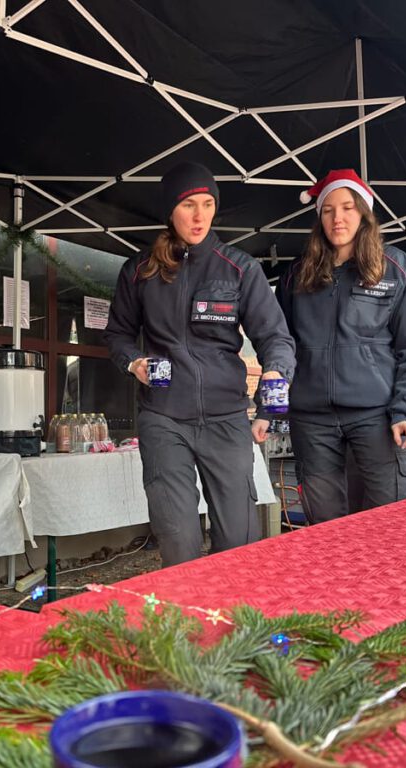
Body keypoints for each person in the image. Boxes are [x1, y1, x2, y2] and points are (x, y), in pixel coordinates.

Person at [104, 161, 296, 566]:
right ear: (169, 211)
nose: (199, 216)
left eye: (207, 204)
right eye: (188, 205)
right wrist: (134, 362)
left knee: (239, 541)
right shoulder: (139, 271)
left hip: (226, 418)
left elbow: (276, 338)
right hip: (163, 417)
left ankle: (231, 607)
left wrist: (272, 391)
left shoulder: (239, 268)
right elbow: (117, 334)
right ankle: (184, 607)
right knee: (179, 541)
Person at [256, 169, 406, 523]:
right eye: (328, 210)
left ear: (364, 213)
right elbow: (279, 345)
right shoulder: (297, 274)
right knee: (324, 526)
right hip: (312, 420)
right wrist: (268, 409)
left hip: (376, 416)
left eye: (348, 208)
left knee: (390, 519)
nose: (337, 218)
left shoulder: (396, 268)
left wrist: (405, 412)